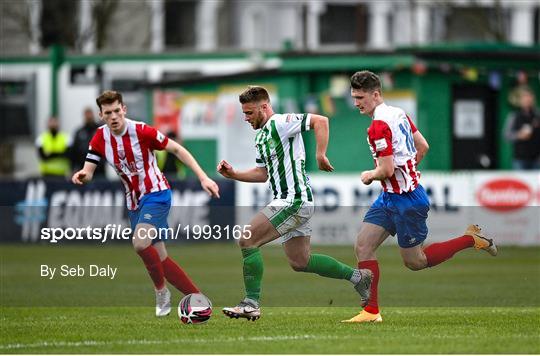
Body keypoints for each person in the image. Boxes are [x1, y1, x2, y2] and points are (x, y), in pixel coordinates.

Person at [342, 71, 498, 323]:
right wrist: (409, 171)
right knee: (363, 246)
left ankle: (470, 239)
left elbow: (387, 170)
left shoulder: (379, 126)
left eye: (360, 97)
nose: (356, 102)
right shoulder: (398, 113)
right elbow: (422, 146)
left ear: (376, 94)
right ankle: (371, 312)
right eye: (354, 97)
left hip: (407, 201)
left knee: (416, 262)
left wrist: (370, 175)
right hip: (390, 197)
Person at [217, 86, 373, 321]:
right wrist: (234, 174)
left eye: (249, 113)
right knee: (300, 261)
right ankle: (358, 278)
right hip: (290, 200)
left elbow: (321, 121)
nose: (246, 118)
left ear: (264, 107)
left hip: (294, 199)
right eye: (244, 113)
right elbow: (262, 173)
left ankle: (251, 303)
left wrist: (320, 155)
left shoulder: (280, 122)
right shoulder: (261, 135)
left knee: (247, 238)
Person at [72, 90, 220, 317]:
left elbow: (177, 149)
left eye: (117, 111)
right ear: (101, 115)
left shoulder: (141, 131)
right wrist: (82, 174)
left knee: (140, 243)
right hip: (134, 202)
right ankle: (200, 300)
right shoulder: (100, 138)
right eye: (108, 113)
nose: (113, 116)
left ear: (124, 110)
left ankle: (161, 292)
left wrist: (203, 177)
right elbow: (89, 169)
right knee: (160, 257)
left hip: (157, 194)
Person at [504, 87, 540, 170]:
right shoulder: (514, 116)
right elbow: (506, 135)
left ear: (533, 98)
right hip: (519, 160)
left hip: (537, 159)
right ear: (520, 100)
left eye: (529, 97)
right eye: (524, 97)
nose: (527, 99)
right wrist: (518, 135)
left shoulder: (538, 115)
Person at [70, 107, 105, 176]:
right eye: (86, 114)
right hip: (82, 168)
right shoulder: (79, 132)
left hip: (99, 169)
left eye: (90, 114)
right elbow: (74, 151)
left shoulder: (100, 130)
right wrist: (73, 168)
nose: (88, 116)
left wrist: (103, 162)